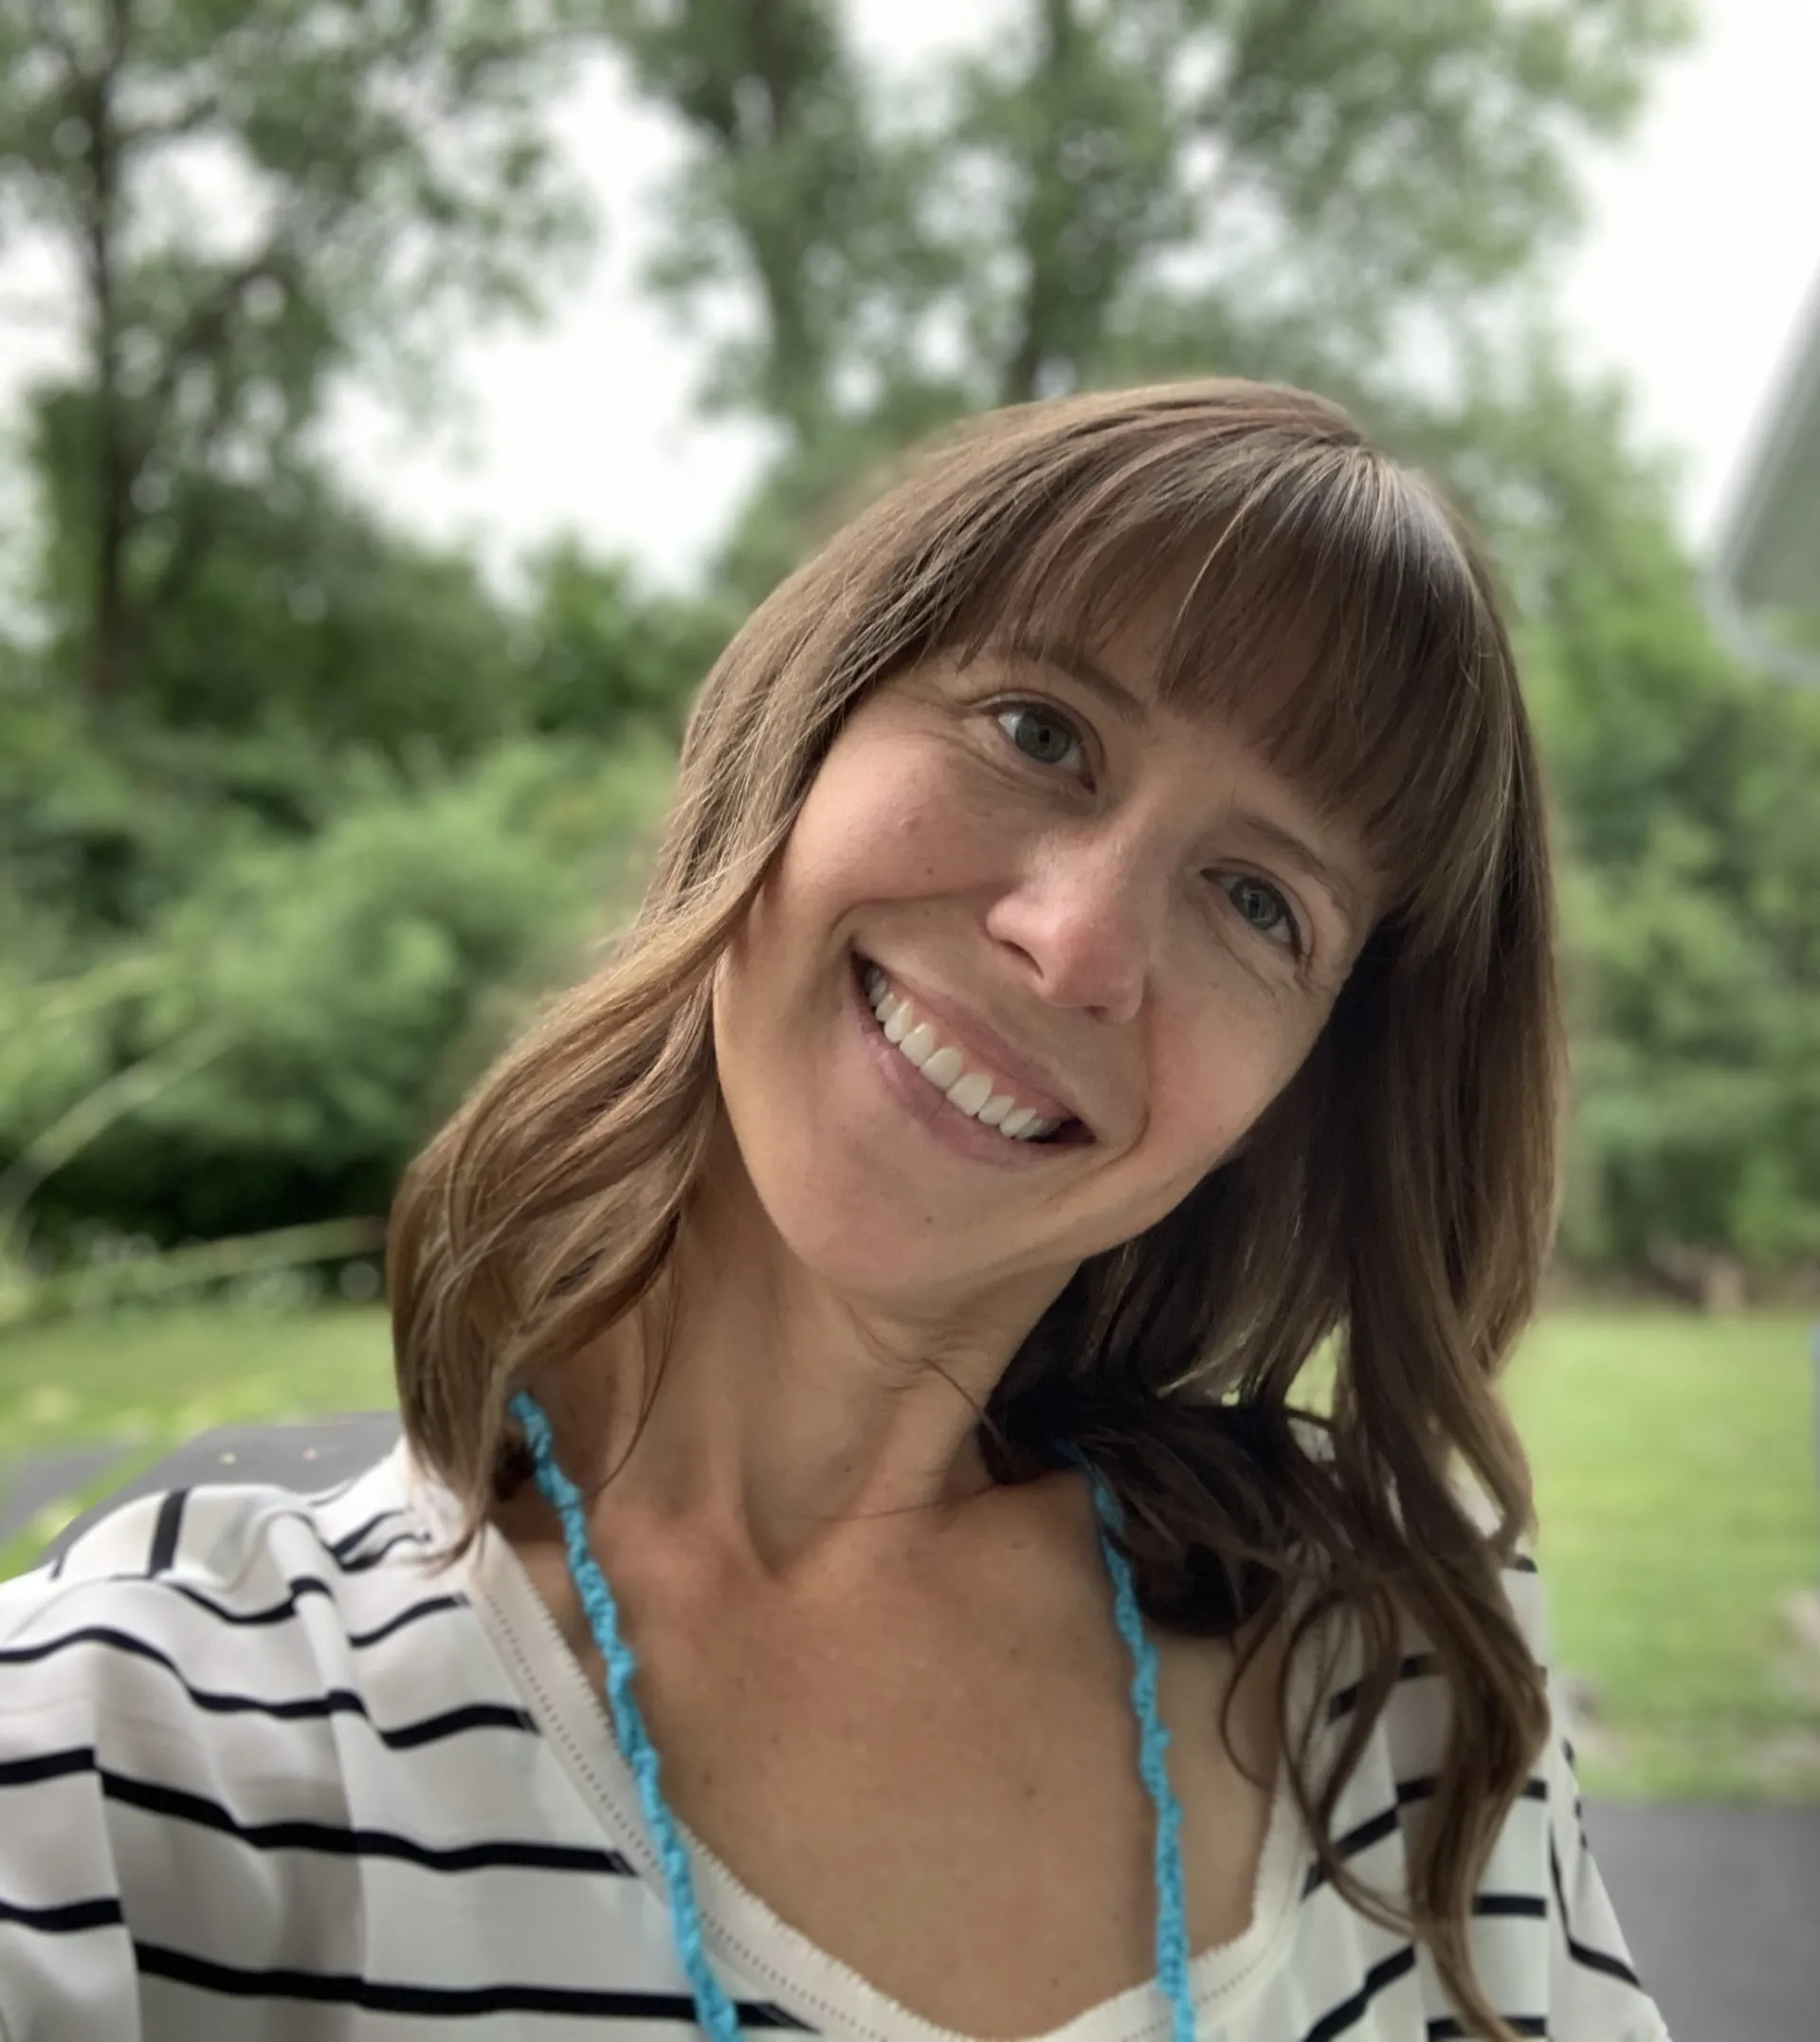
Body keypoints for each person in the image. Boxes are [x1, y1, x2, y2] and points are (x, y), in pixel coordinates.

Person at [0, 380, 1671, 2042]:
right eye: (1039, 729)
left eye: (1258, 900)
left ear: (1304, 1093)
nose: (1075, 941)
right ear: (803, 733)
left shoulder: (1394, 1681)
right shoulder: (165, 1740)